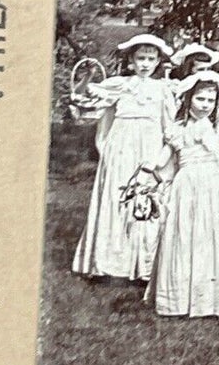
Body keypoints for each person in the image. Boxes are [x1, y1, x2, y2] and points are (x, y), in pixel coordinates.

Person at [72, 34, 188, 280]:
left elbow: (169, 126)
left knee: (144, 199)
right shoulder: (120, 84)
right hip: (121, 146)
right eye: (140, 59)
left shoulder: (163, 89)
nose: (145, 64)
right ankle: (107, 262)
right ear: (131, 61)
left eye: (150, 59)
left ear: (158, 62)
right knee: (117, 196)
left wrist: (170, 150)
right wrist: (87, 79)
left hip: (148, 146)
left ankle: (143, 265)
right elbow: (83, 98)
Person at [145, 72, 219, 317]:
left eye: (210, 100)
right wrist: (150, 170)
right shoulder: (176, 130)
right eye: (200, 99)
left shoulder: (217, 130)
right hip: (187, 184)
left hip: (213, 185)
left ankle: (208, 297)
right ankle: (179, 296)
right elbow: (163, 159)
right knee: (185, 232)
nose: (205, 105)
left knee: (209, 234)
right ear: (188, 99)